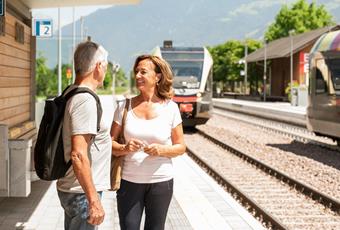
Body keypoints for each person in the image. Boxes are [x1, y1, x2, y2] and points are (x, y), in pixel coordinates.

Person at [111, 55, 186, 230]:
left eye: (143, 72)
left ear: (157, 77)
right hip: (129, 182)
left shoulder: (170, 108)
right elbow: (109, 144)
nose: (137, 75)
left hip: (161, 181)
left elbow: (181, 147)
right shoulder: (124, 107)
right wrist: (125, 147)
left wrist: (162, 150)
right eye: (136, 71)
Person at [57, 41, 111, 230]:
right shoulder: (85, 100)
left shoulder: (71, 92)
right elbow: (78, 154)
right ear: (98, 66)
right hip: (81, 192)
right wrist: (93, 199)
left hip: (75, 189)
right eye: (106, 65)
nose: (106, 70)